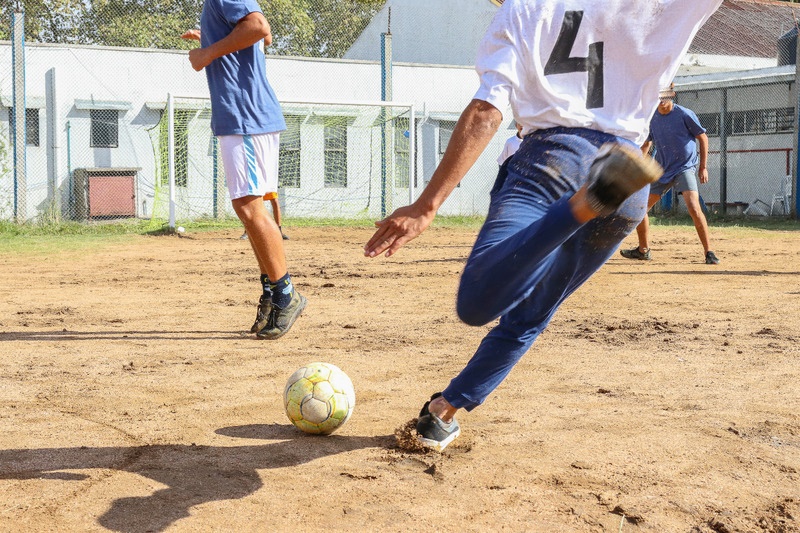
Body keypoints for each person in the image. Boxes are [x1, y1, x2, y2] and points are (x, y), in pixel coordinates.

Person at [364, 0, 722, 451]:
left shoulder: (523, 8)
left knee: (477, 304)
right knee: (529, 316)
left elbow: (486, 112)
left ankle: (582, 205)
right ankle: (443, 410)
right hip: (627, 178)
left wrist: (427, 204)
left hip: (553, 162)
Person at [181, 0, 305, 340]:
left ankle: (285, 293)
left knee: (249, 207)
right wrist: (211, 37)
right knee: (248, 207)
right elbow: (262, 38)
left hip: (245, 116)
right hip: (243, 117)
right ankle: (273, 289)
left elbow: (259, 28)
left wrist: (208, 52)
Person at [619, 84, 720, 264]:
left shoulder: (684, 114)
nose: (661, 100)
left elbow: (703, 137)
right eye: (658, 96)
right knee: (640, 208)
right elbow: (646, 144)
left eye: (664, 95)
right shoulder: (651, 118)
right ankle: (643, 250)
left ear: (672, 95)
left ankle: (709, 252)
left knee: (693, 207)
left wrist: (703, 166)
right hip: (661, 169)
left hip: (684, 167)